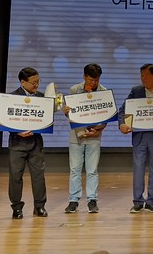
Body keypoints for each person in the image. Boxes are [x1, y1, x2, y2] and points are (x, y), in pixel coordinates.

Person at [118, 63, 153, 213]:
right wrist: (122, 124)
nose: (143, 78)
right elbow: (123, 110)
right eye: (141, 75)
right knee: (138, 169)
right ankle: (137, 201)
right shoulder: (136, 91)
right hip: (140, 136)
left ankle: (151, 201)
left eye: (146, 75)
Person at [63, 63, 108, 214]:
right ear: (84, 77)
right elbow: (71, 115)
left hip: (95, 136)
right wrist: (66, 111)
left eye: (96, 80)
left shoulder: (104, 92)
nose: (94, 83)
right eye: (90, 80)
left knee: (92, 170)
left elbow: (107, 116)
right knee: (75, 169)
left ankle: (92, 200)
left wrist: (98, 129)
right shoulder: (74, 90)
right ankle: (73, 201)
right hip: (76, 135)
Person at [7, 67, 48, 220]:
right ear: (23, 82)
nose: (37, 85)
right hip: (17, 143)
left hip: (35, 143)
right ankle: (16, 207)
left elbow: (46, 119)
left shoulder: (42, 97)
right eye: (33, 83)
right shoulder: (11, 98)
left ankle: (39, 206)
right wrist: (17, 131)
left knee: (38, 176)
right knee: (15, 177)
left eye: (38, 82)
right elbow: (3, 120)